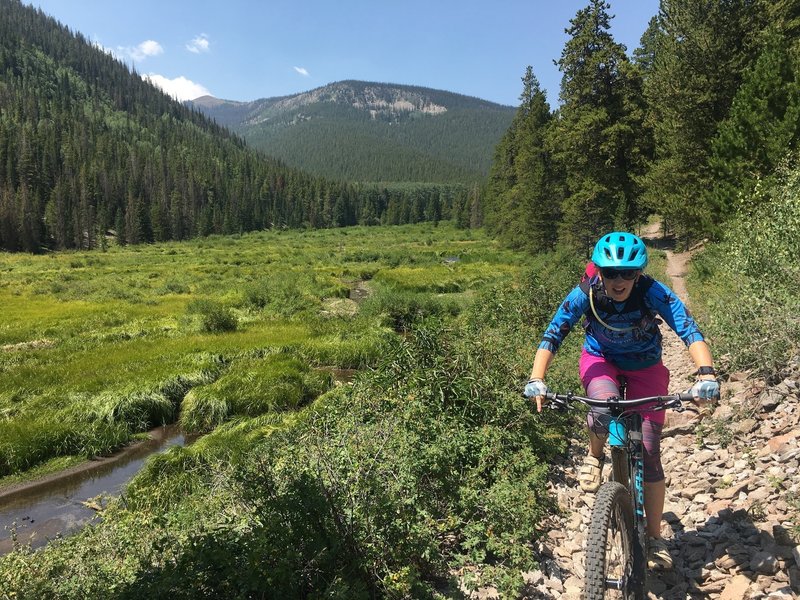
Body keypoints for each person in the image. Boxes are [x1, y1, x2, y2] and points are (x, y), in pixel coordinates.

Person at [523, 231, 720, 571]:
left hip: (646, 365)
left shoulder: (651, 292)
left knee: (649, 449)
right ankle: (595, 454)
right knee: (602, 409)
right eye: (610, 272)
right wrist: (537, 378)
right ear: (598, 271)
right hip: (601, 358)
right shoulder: (587, 292)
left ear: (639, 273)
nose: (618, 280)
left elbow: (689, 329)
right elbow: (554, 331)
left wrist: (706, 374)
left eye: (628, 273)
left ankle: (655, 539)